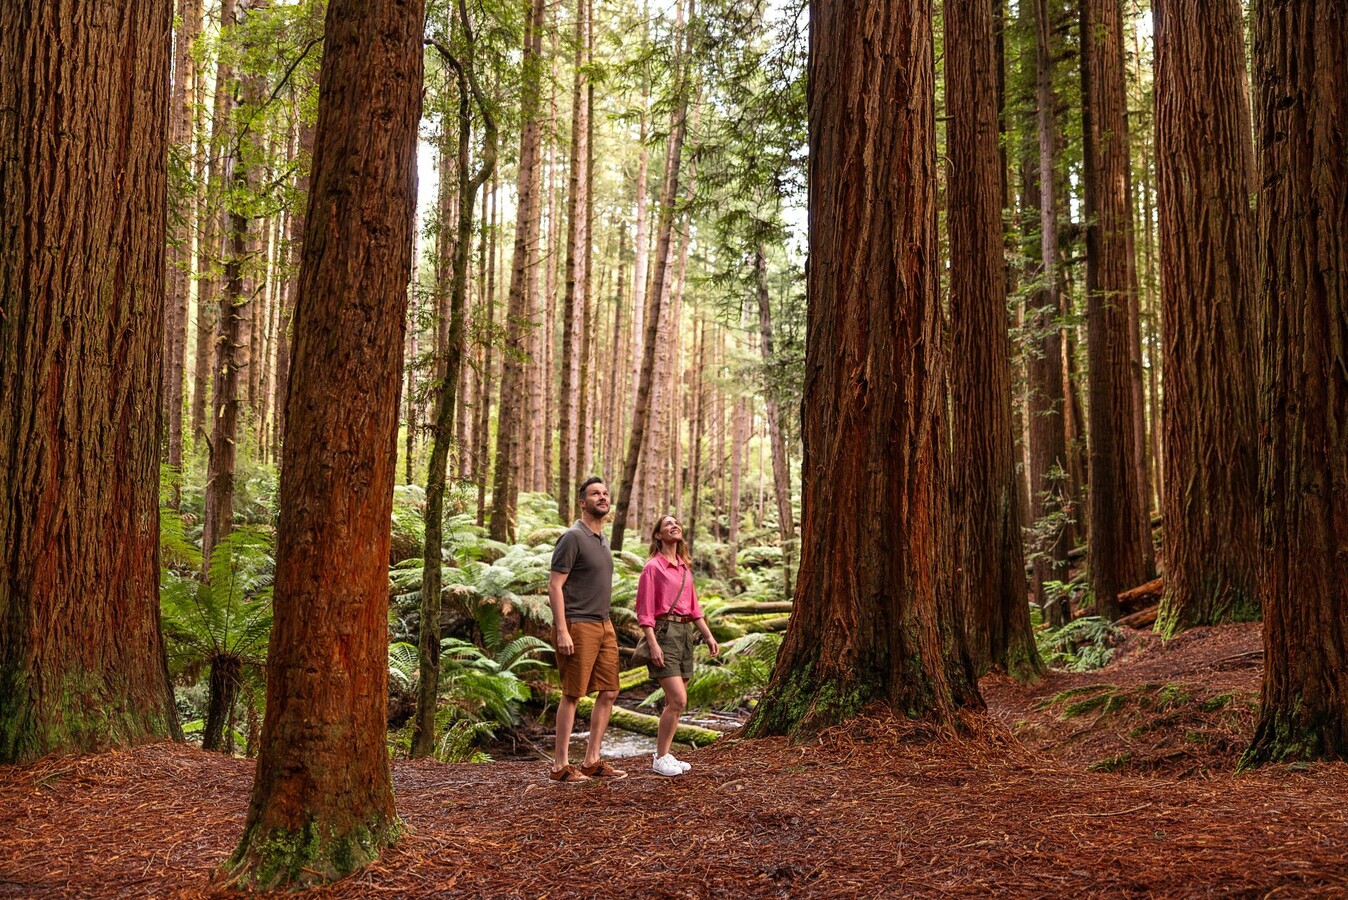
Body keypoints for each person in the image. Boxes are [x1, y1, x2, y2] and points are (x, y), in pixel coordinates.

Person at [548, 477, 625, 782]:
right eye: (595, 494)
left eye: (605, 493)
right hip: (578, 624)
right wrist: (562, 630)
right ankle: (560, 766)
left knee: (610, 690)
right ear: (582, 502)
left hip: (604, 624)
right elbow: (555, 586)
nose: (602, 497)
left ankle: (592, 760)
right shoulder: (572, 537)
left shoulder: (602, 540)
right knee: (572, 694)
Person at [636, 514, 719, 777]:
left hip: (685, 634)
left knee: (676, 702)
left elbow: (695, 609)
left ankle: (665, 753)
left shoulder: (684, 568)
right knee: (678, 699)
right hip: (664, 633)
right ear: (658, 535)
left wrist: (708, 636)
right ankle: (660, 758)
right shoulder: (653, 568)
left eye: (676, 523)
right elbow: (645, 611)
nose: (674, 526)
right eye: (668, 524)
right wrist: (653, 644)